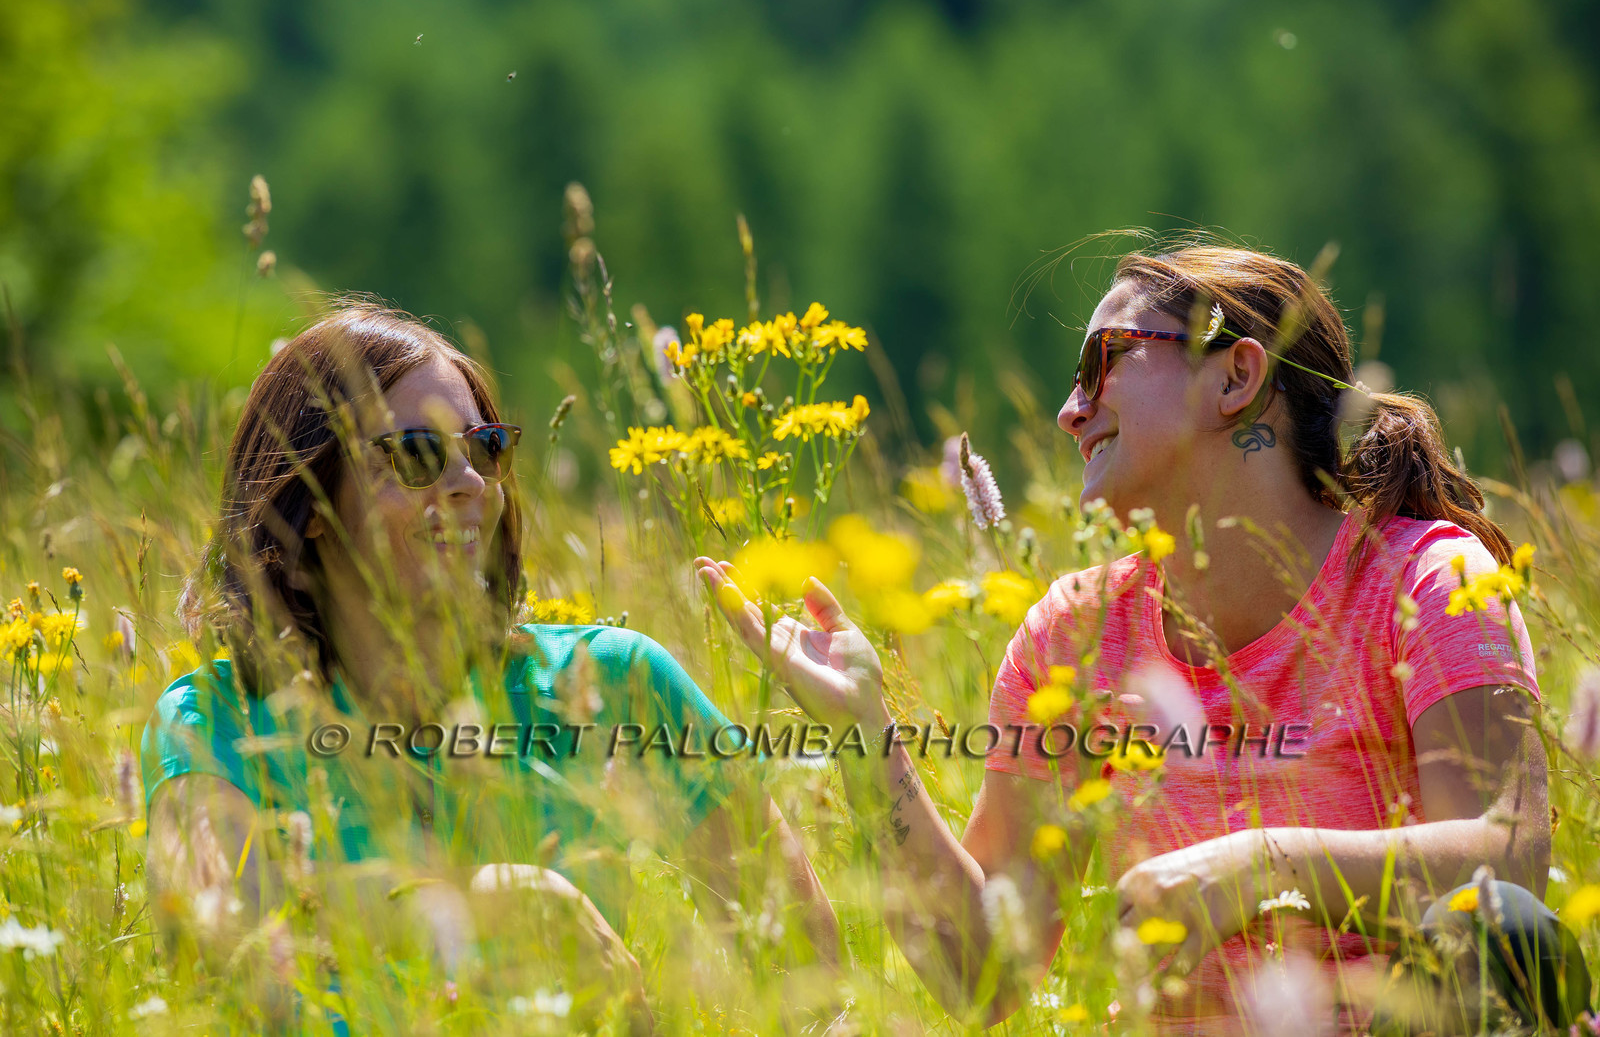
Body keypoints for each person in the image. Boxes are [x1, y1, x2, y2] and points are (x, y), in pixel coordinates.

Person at [698, 245, 1591, 1033]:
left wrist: (1260, 865)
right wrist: (867, 736)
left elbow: (1507, 861)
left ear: (1237, 379)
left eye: (1103, 360)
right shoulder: (1076, 635)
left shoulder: (1427, 581)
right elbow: (983, 976)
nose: (1068, 410)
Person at [142, 298, 840, 1030]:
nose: (469, 483)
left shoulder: (614, 686)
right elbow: (216, 935)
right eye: (415, 454)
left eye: (485, 450)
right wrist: (487, 904)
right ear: (309, 500)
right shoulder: (215, 722)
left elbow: (810, 974)